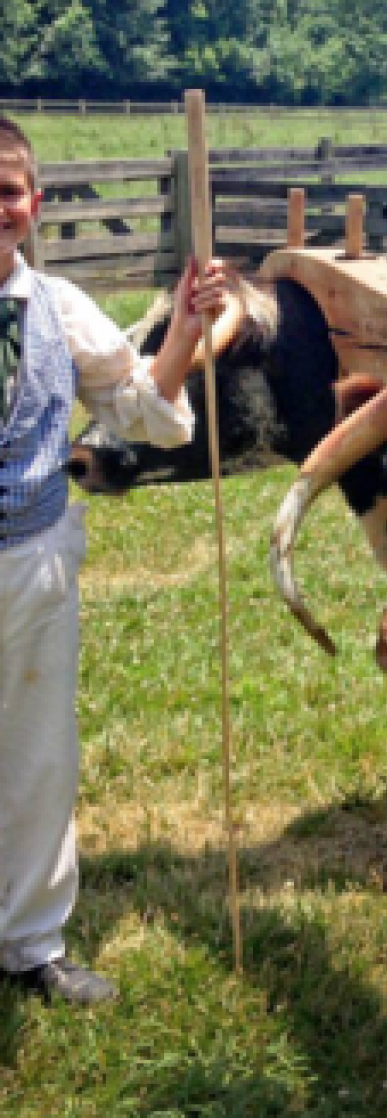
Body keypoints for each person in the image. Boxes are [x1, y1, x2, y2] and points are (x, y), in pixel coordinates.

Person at [0, 114, 221, 1005]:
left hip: (33, 563)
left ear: (33, 203)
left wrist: (184, 336)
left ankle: (29, 946)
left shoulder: (58, 310)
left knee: (37, 754)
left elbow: (141, 407)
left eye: (7, 190)